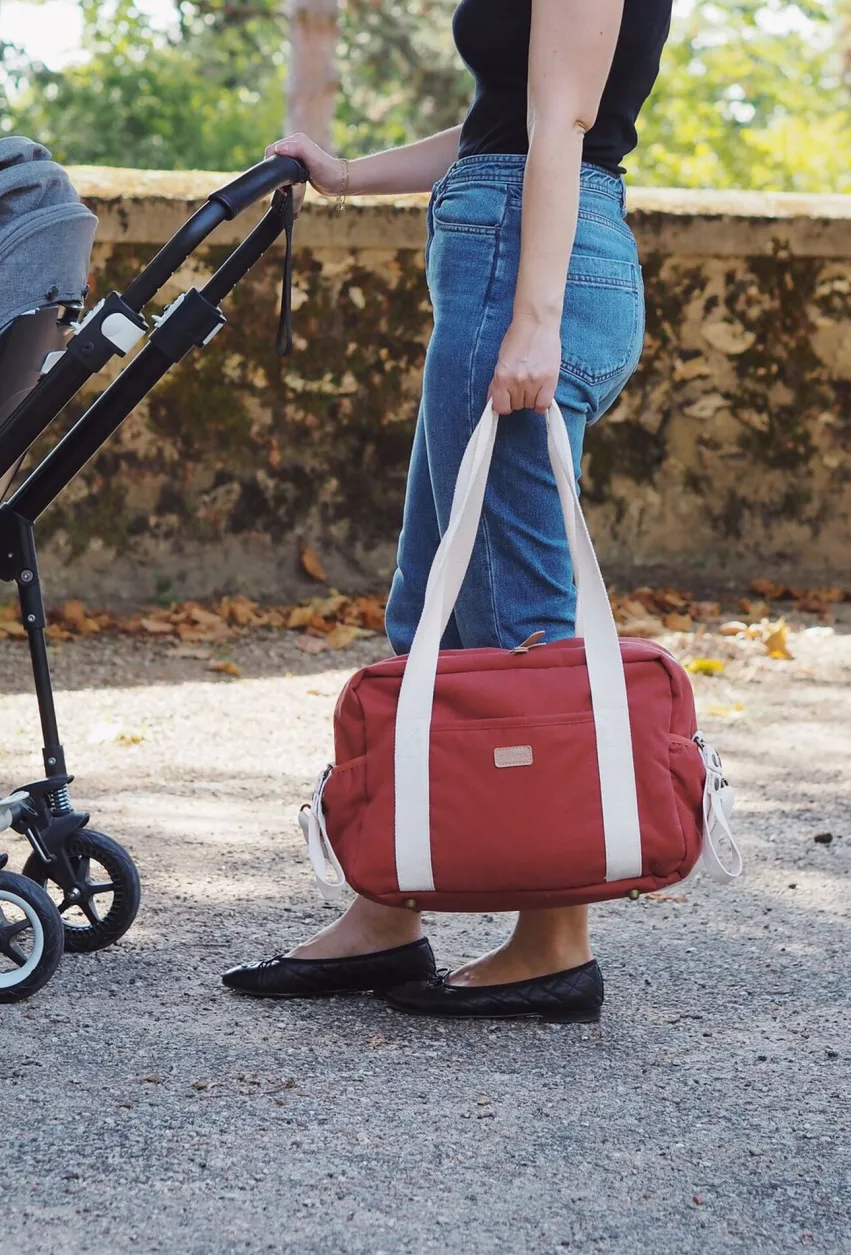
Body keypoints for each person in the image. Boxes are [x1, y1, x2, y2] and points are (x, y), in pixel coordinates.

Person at [222, 0, 671, 1022]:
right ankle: (387, 913)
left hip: (522, 261)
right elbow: (503, 121)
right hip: (507, 246)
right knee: (432, 608)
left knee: (519, 621)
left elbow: (558, 126)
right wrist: (345, 174)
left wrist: (533, 320)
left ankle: (555, 939)